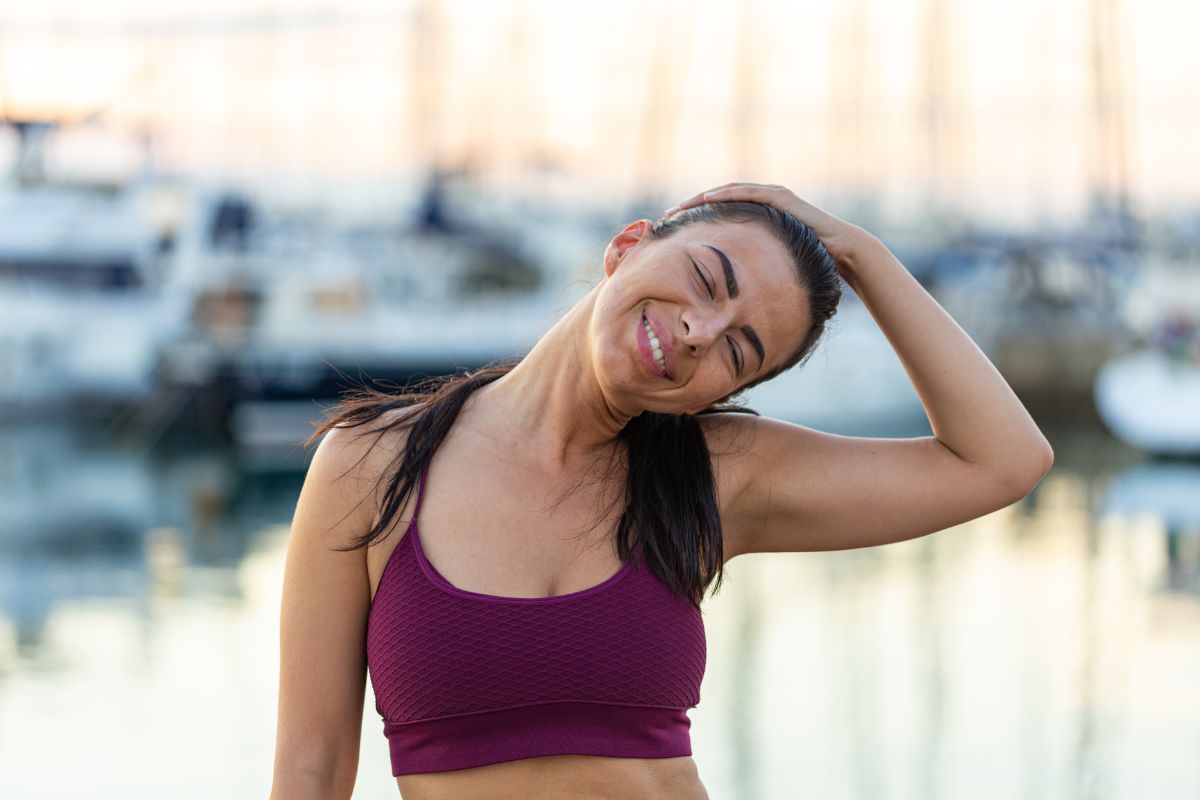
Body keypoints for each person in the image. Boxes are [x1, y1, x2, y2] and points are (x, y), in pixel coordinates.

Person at [268, 183, 1054, 800]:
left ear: (719, 394)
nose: (700, 333)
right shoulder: (370, 464)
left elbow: (1003, 461)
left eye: (739, 352)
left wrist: (864, 255)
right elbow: (312, 769)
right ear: (627, 245)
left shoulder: (717, 476)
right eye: (708, 278)